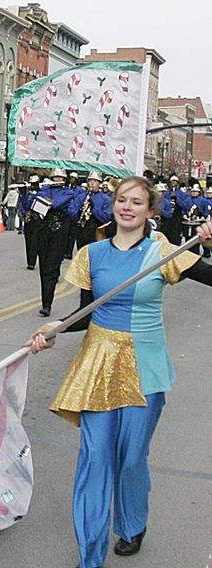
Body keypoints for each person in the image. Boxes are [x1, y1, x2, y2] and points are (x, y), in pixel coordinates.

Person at [28, 176, 212, 568]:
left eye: (137, 202)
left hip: (145, 366)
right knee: (95, 459)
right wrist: (53, 329)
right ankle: (90, 557)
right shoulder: (92, 253)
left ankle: (131, 524)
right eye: (121, 200)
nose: (127, 207)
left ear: (151, 210)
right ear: (113, 205)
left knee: (130, 459)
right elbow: (84, 313)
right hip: (97, 365)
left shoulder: (162, 251)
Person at [33, 167, 76, 317]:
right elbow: (34, 205)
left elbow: (56, 204)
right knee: (44, 268)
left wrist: (47, 200)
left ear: (64, 180)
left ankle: (47, 305)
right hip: (43, 231)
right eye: (55, 177)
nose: (57, 180)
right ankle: (45, 299)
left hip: (59, 233)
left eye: (60, 178)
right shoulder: (44, 189)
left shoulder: (68, 192)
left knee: (51, 269)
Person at [69, 171, 112, 249]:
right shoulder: (81, 197)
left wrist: (93, 209)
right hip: (81, 231)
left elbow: (107, 217)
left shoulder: (106, 199)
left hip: (96, 233)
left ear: (99, 183)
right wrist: (79, 211)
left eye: (95, 181)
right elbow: (71, 210)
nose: (92, 183)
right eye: (90, 180)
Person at [160, 175, 189, 245]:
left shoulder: (182, 193)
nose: (173, 183)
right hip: (166, 217)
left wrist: (177, 199)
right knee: (166, 234)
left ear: (178, 183)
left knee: (176, 234)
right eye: (172, 182)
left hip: (177, 216)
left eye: (175, 182)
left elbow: (185, 206)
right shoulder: (166, 193)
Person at [181, 183, 209, 254]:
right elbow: (184, 210)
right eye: (193, 191)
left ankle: (196, 255)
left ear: (199, 192)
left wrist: (203, 217)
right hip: (188, 222)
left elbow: (206, 212)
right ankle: (188, 254)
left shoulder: (204, 201)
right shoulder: (187, 200)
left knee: (197, 239)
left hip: (199, 223)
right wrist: (184, 215)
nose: (194, 193)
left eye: (195, 191)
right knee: (188, 239)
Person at [20, 175, 40, 270]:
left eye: (34, 184)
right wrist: (23, 194)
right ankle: (30, 262)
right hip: (29, 219)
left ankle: (33, 261)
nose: (33, 186)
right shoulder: (28, 194)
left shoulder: (41, 193)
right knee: (28, 241)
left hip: (38, 219)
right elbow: (26, 206)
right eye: (32, 184)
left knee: (35, 241)